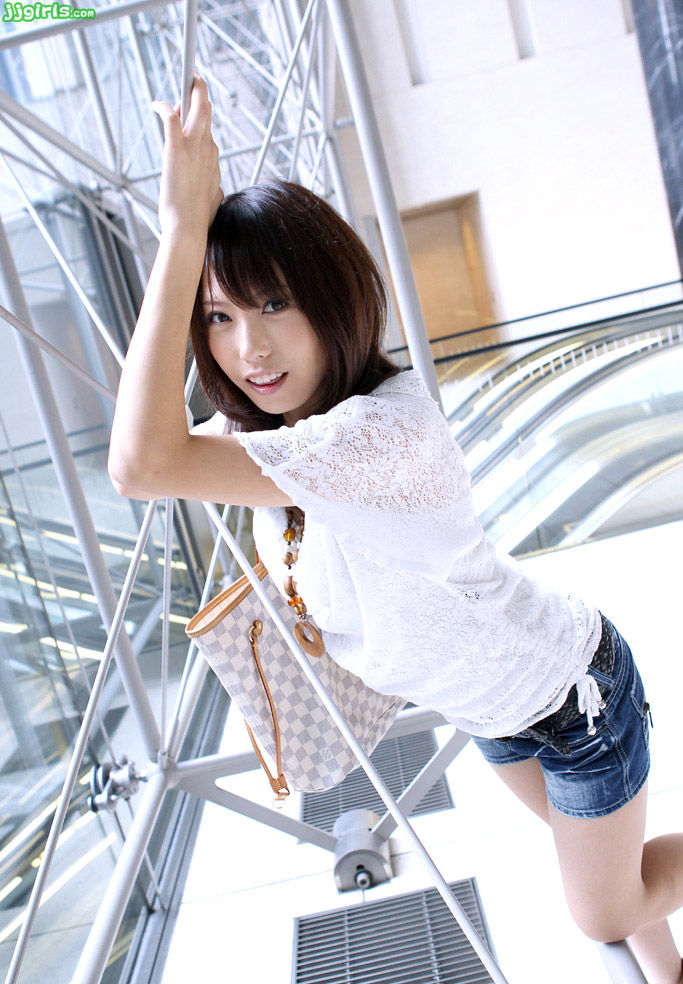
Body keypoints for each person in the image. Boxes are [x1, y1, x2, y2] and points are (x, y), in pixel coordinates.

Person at [107, 73, 683, 984]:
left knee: (602, 908)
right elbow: (157, 449)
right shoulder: (276, 433)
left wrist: (183, 232)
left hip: (572, 699)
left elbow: (141, 462)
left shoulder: (371, 437)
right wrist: (186, 248)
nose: (249, 348)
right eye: (217, 317)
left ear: (332, 298)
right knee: (610, 869)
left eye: (273, 304)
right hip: (493, 710)